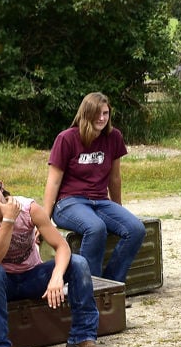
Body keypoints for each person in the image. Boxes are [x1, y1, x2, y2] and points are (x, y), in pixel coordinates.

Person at [0, 166, 106, 347]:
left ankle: (83, 336)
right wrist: (8, 220)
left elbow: (61, 246)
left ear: (0, 185)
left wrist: (57, 276)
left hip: (31, 277)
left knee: (78, 263)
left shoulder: (29, 208)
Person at [43, 92, 146, 283]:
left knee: (135, 228)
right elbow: (53, 181)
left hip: (99, 201)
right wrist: (44, 220)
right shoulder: (66, 138)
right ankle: (90, 288)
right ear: (86, 114)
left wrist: (118, 209)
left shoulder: (114, 137)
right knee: (95, 228)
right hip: (68, 202)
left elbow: (114, 178)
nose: (102, 118)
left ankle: (111, 285)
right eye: (97, 113)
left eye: (105, 113)